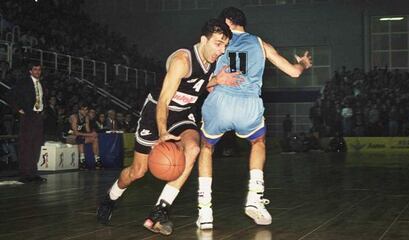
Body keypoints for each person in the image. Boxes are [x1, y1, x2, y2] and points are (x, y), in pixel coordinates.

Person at [97, 18, 239, 236]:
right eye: (218, 44)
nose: (221, 50)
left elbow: (198, 84)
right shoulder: (183, 60)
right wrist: (163, 132)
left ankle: (159, 212)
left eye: (225, 46)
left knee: (193, 148)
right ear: (203, 40)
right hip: (157, 112)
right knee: (138, 171)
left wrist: (217, 80)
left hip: (183, 113)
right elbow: (163, 100)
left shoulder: (212, 61)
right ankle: (110, 198)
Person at [196, 7, 312, 230]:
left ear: (228, 22)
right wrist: (304, 63)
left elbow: (202, 82)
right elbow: (295, 73)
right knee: (258, 142)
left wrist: (215, 81)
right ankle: (255, 198)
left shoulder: (217, 42)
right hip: (248, 105)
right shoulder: (260, 43)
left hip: (220, 102)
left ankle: (205, 211)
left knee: (206, 148)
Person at [13, 62, 47, 183]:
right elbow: (12, 95)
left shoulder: (41, 83)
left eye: (39, 69)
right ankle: (25, 173)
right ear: (30, 71)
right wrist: (18, 109)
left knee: (36, 145)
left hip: (38, 116)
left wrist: (43, 111)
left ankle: (33, 173)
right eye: (35, 69)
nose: (38, 71)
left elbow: (42, 99)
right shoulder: (23, 82)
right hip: (28, 116)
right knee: (26, 145)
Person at [65, 103, 101, 169]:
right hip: (68, 136)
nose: (85, 111)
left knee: (95, 139)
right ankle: (82, 161)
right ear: (79, 111)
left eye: (86, 110)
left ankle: (97, 161)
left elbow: (87, 131)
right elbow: (75, 133)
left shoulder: (86, 117)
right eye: (83, 110)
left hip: (79, 136)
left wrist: (92, 133)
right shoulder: (74, 117)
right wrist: (90, 134)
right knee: (80, 138)